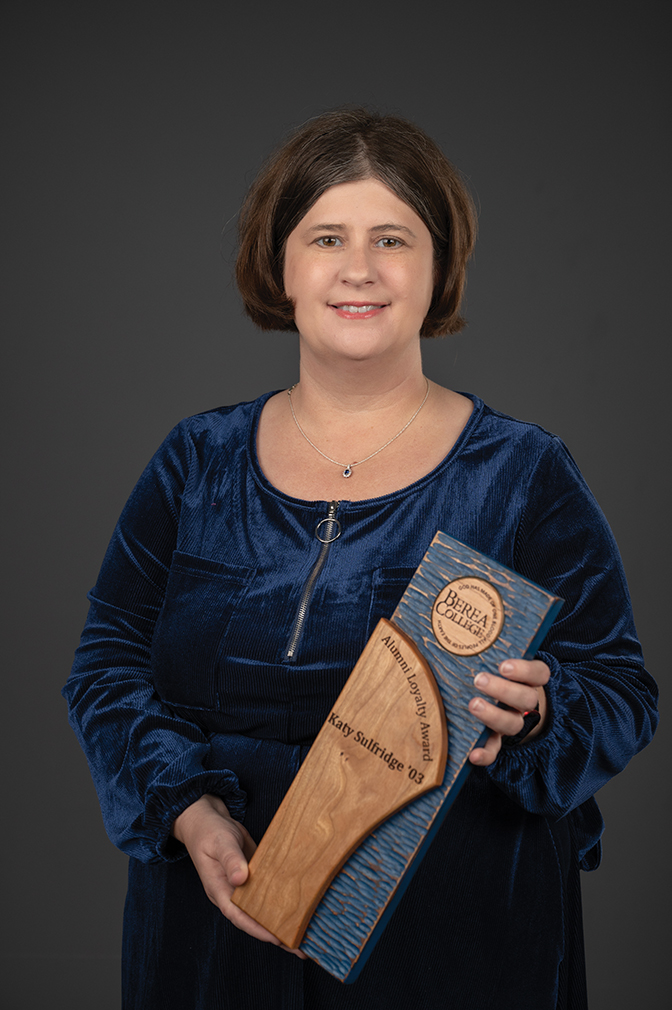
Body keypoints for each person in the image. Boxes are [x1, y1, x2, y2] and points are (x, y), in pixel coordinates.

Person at [63, 108, 658, 1010]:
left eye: (393, 239)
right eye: (326, 237)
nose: (359, 269)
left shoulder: (524, 473)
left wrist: (542, 716)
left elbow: (621, 691)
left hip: (456, 942)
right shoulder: (196, 462)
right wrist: (187, 810)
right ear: (281, 265)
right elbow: (106, 668)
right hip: (217, 925)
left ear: (438, 265)